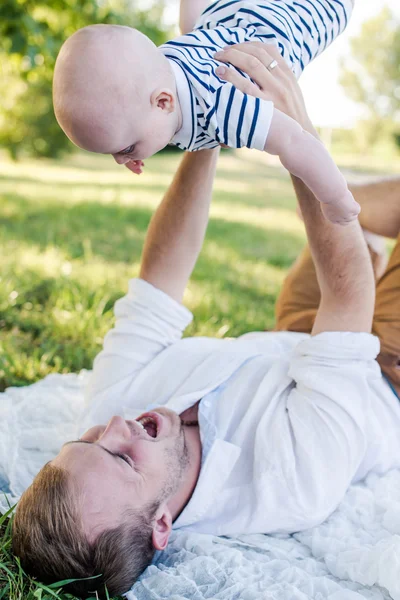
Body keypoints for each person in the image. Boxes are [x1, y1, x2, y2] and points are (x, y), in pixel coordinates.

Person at [13, 44, 400, 600]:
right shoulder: (290, 482)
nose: (116, 425)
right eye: (122, 456)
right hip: (383, 367)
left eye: (90, 439)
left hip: (299, 337)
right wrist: (300, 137)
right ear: (162, 526)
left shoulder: (109, 419)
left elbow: (159, 281)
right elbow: (348, 296)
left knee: (348, 216)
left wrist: (202, 125)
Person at [52, 0, 360, 224]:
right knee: (194, 23)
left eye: (126, 148)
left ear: (164, 103)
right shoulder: (156, 71)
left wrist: (335, 197)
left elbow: (295, 141)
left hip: (298, 11)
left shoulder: (221, 104)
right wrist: (133, 148)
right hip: (226, 12)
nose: (121, 159)